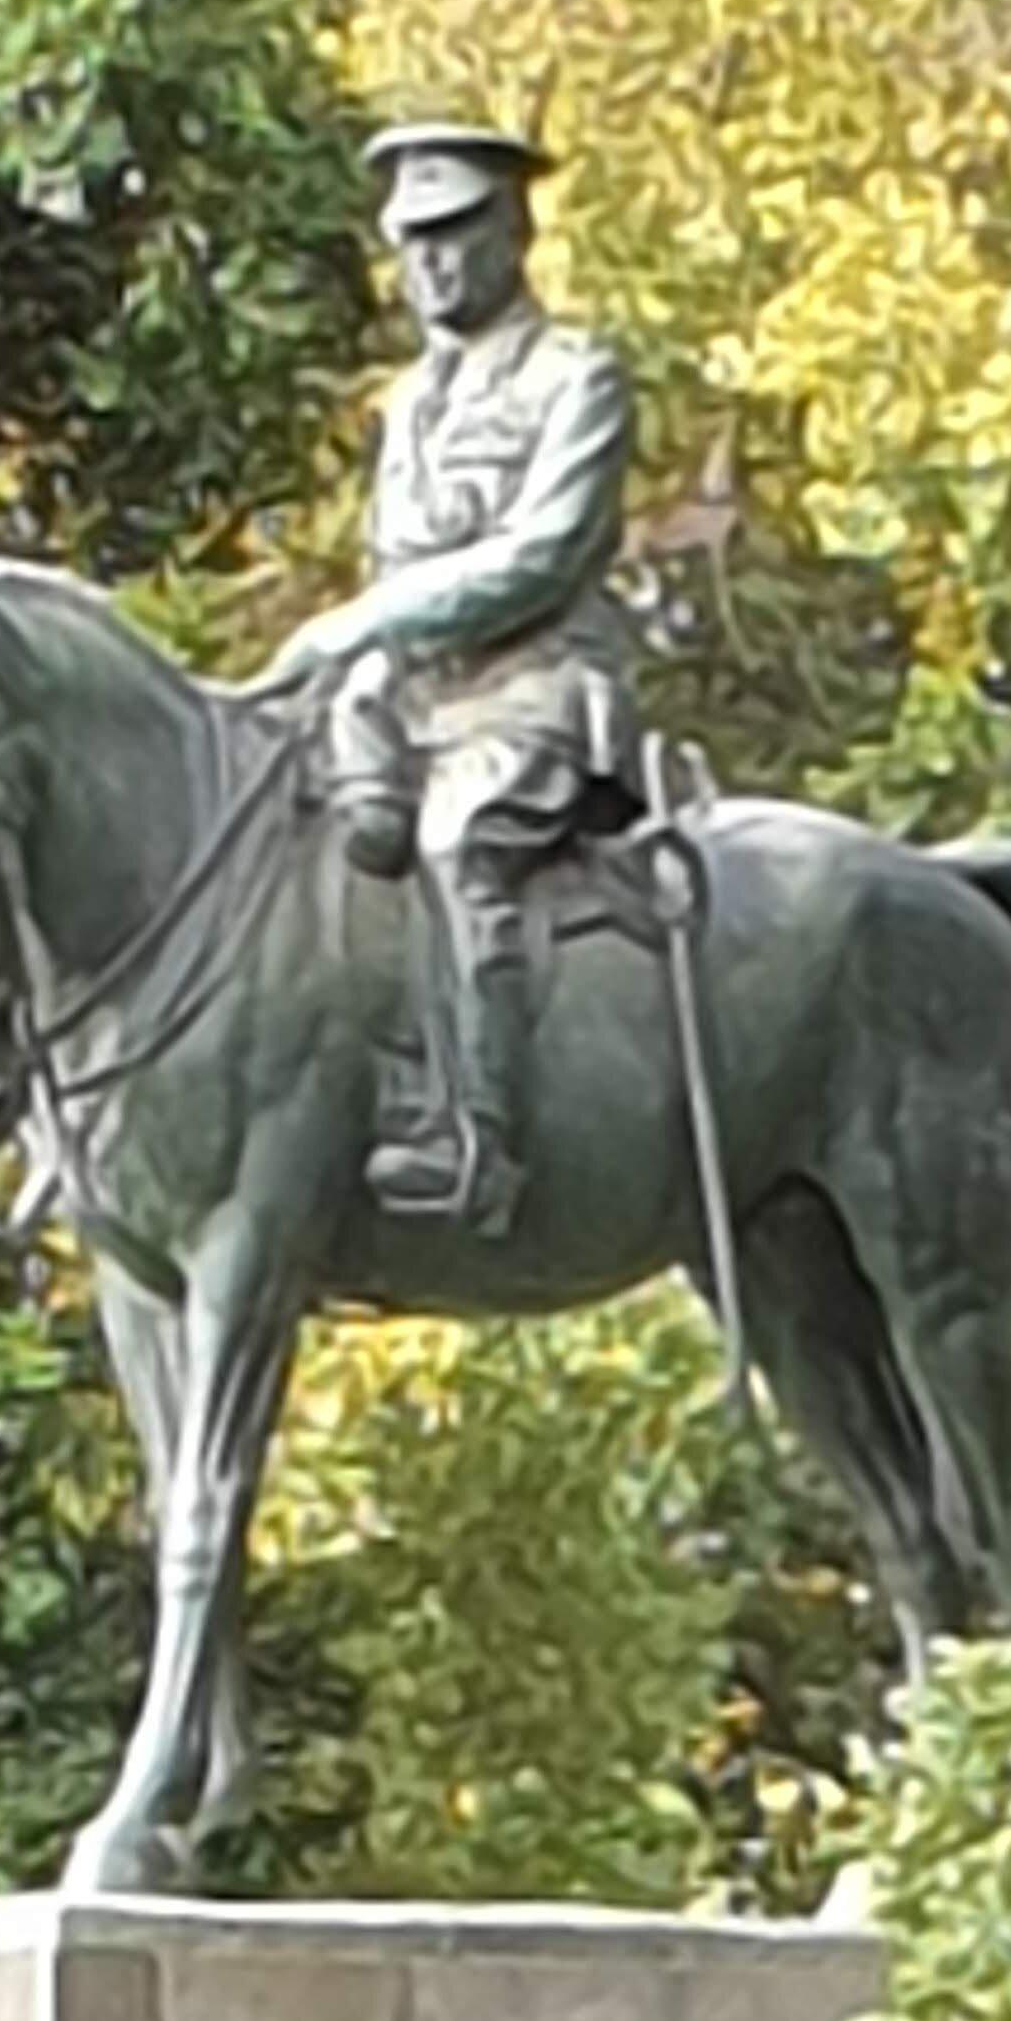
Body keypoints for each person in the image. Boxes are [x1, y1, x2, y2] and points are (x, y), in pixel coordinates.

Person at [263, 121, 641, 1235]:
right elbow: (393, 563)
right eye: (410, 242)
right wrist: (350, 677)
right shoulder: (407, 404)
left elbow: (544, 555)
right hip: (405, 701)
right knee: (279, 836)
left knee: (455, 843)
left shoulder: (578, 375)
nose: (426, 262)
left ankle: (482, 1141)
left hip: (533, 694)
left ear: (512, 231)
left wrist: (362, 623)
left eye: (451, 233)